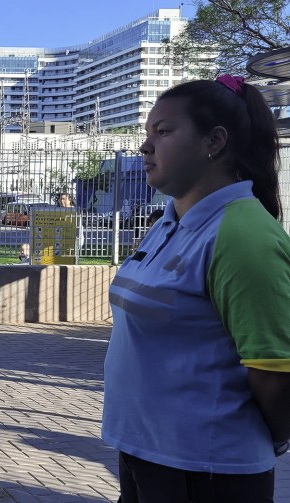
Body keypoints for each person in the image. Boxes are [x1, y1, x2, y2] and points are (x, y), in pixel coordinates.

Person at [103, 76, 290, 502]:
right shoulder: (168, 222)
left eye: (163, 131)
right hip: (144, 454)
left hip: (207, 471)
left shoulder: (244, 235)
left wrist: (277, 437)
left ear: (215, 141)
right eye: (147, 133)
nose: (145, 146)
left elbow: (275, 372)